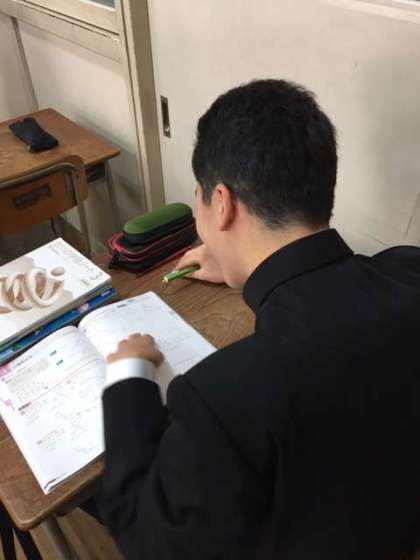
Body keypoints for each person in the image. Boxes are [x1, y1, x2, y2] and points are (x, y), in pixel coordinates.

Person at [100, 80, 420, 559]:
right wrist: (243, 270)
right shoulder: (408, 269)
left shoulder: (224, 397)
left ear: (222, 204)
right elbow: (332, 309)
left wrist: (129, 374)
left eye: (198, 199)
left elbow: (144, 536)